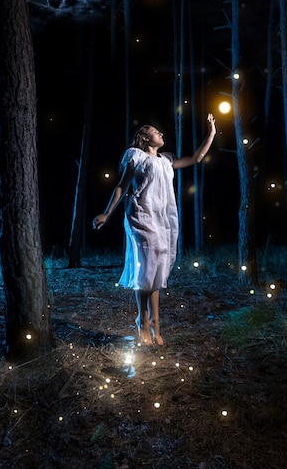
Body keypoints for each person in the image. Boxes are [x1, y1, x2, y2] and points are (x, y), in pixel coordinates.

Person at [93, 113, 216, 346]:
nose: (160, 133)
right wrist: (107, 213)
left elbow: (196, 158)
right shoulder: (135, 156)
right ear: (144, 138)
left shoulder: (166, 159)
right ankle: (143, 319)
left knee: (157, 271)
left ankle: (155, 324)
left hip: (163, 219)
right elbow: (122, 186)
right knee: (147, 268)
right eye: (155, 131)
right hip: (141, 215)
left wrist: (211, 133)